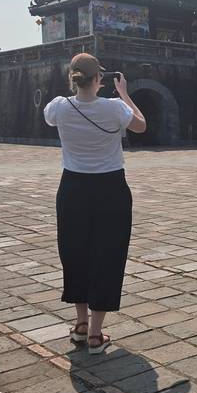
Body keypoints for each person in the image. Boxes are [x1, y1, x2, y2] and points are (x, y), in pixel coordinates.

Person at [43, 53, 146, 354]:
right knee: (107, 254)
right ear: (99, 79)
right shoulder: (114, 108)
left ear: (72, 78)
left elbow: (49, 117)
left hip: (73, 188)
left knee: (75, 252)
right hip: (110, 188)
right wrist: (125, 93)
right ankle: (96, 333)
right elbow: (141, 126)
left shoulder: (59, 107)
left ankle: (80, 323)